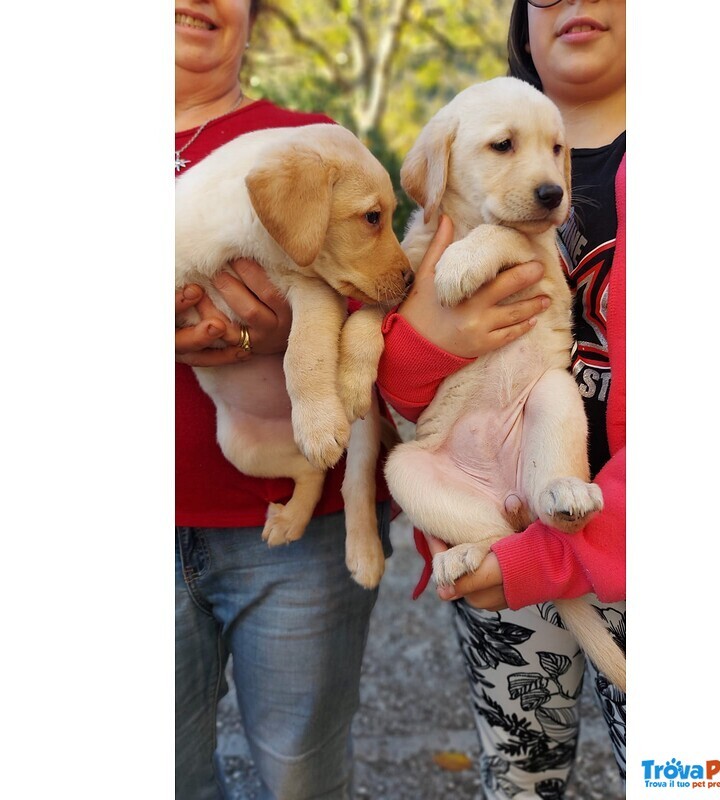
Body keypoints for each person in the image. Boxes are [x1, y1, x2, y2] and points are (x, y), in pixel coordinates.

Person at [174, 2, 547, 798]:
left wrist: (277, 336)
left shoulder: (310, 141)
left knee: (302, 771)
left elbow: (383, 314)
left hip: (288, 516)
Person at [376, 0, 626, 797]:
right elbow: (403, 400)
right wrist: (422, 343)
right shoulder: (456, 157)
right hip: (492, 541)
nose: (579, 2)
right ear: (523, 21)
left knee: (705, 771)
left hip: (639, 541)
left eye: (549, 148)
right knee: (520, 775)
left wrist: (542, 553)